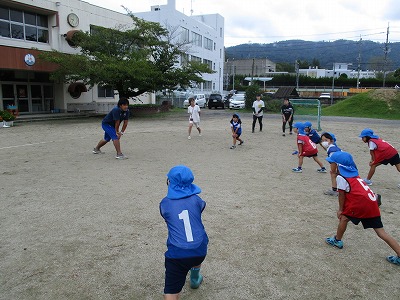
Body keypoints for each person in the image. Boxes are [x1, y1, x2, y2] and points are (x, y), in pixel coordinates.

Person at [324, 151, 400, 266]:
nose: (331, 165)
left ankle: (337, 240)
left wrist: (340, 209)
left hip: (360, 204)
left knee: (344, 218)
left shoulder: (342, 177)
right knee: (381, 232)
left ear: (338, 165)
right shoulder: (354, 175)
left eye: (333, 163)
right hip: (372, 203)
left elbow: (341, 195)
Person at [160, 165, 209, 299]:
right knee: (199, 239)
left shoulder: (165, 203)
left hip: (177, 254)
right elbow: (200, 208)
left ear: (169, 182)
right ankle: (194, 278)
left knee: (170, 292)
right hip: (200, 251)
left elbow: (167, 216)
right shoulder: (197, 200)